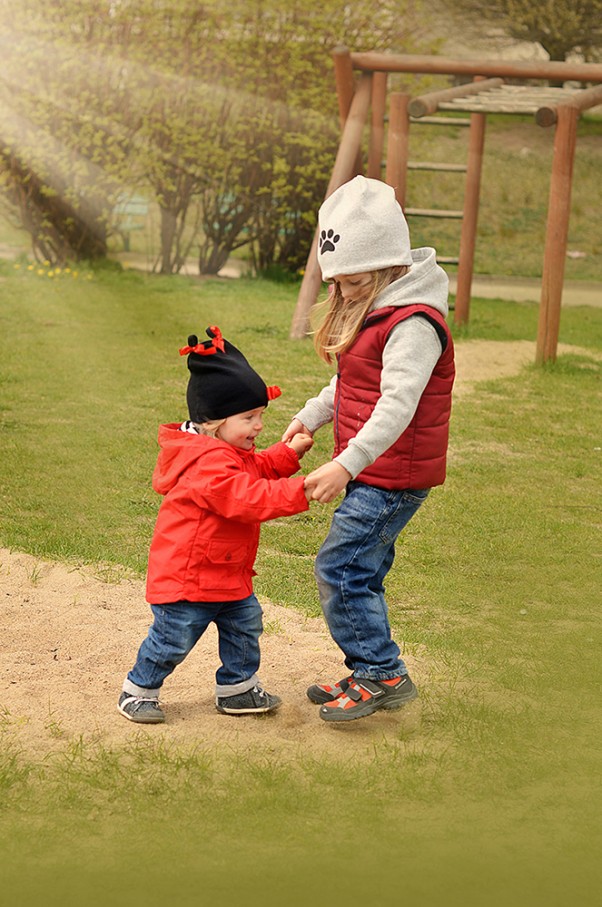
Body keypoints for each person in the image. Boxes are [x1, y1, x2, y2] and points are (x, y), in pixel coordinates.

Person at [283, 175, 455, 723]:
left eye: (351, 282)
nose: (342, 294)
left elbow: (396, 406)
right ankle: (369, 668)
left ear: (384, 266)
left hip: (393, 476)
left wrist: (344, 463)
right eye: (335, 283)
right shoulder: (376, 309)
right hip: (374, 470)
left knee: (340, 568)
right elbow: (353, 382)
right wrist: (312, 415)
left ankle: (382, 674)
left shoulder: (414, 323)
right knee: (361, 571)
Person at [119, 325, 313, 724]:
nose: (258, 426)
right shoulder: (206, 464)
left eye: (260, 415)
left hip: (226, 573)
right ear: (213, 422)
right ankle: (138, 690)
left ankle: (237, 689)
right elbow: (248, 497)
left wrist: (286, 454)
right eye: (249, 417)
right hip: (189, 580)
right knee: (173, 640)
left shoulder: (228, 449)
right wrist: (303, 489)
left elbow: (257, 467)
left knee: (245, 627)